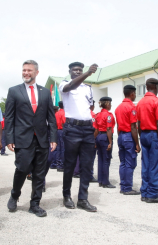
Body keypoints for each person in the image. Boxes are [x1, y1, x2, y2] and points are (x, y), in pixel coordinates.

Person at [5, 60, 57, 217]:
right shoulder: (14, 91)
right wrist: (9, 138)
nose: (25, 73)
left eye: (29, 70)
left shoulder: (45, 92)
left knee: (40, 173)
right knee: (22, 168)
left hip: (41, 139)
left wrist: (53, 137)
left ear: (36, 72)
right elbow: (9, 117)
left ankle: (35, 204)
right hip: (22, 138)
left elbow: (51, 117)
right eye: (24, 70)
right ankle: (15, 195)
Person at [59, 61, 98, 212]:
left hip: (87, 128)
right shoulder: (65, 84)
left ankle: (83, 198)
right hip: (72, 129)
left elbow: (89, 106)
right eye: (75, 70)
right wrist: (87, 73)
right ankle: (66, 195)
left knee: (87, 166)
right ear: (70, 72)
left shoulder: (88, 88)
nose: (77, 72)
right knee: (69, 165)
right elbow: (71, 86)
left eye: (80, 70)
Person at [137, 79, 158, 202]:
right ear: (156, 87)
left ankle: (144, 192)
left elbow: (138, 124)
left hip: (144, 134)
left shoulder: (140, 102)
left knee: (146, 165)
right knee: (155, 166)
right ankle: (152, 194)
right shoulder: (157, 101)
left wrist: (141, 138)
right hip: (154, 135)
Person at [115, 85, 140, 195]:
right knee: (130, 163)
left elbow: (118, 125)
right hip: (129, 136)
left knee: (123, 163)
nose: (135, 96)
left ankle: (123, 185)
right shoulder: (131, 107)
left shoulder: (118, 107)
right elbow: (133, 127)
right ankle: (127, 188)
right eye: (135, 93)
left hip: (121, 136)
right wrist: (137, 144)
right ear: (131, 94)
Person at [95, 97, 116, 188]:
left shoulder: (98, 115)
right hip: (105, 137)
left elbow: (96, 129)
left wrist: (94, 140)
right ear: (107, 104)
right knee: (106, 160)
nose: (111, 105)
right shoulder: (108, 115)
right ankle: (105, 182)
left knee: (100, 159)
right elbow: (108, 129)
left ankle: (100, 180)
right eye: (110, 103)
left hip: (99, 136)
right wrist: (110, 142)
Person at [54, 101, 66, 171]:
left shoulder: (57, 113)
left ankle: (58, 163)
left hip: (57, 130)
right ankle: (61, 165)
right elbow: (64, 123)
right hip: (62, 130)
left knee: (58, 148)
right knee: (63, 148)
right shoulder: (64, 113)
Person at [89, 100, 98, 182]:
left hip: (83, 138)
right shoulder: (92, 114)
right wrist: (93, 140)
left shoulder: (82, 113)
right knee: (91, 158)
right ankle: (90, 175)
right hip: (90, 139)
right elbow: (95, 129)